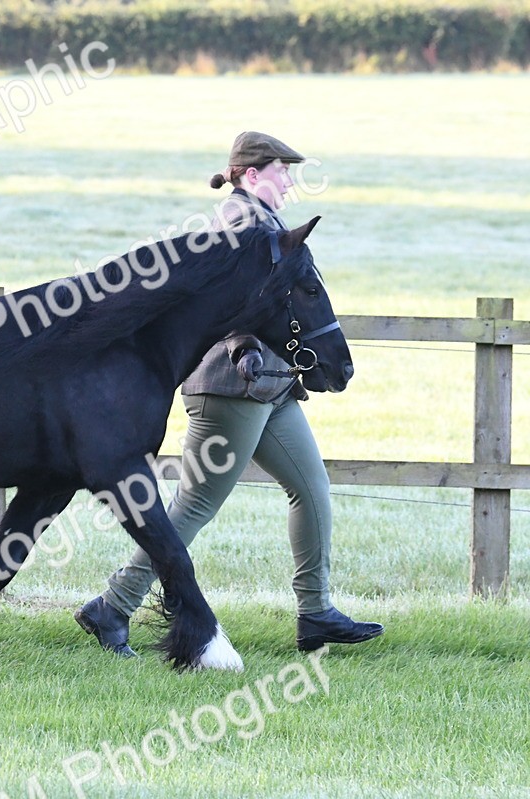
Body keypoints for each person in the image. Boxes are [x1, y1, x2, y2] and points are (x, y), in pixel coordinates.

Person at [74, 131, 384, 656]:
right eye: (282, 169)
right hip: (231, 386)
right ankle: (112, 607)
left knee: (311, 490)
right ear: (252, 174)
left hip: (272, 386)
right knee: (193, 505)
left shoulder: (264, 224)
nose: (290, 179)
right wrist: (243, 347)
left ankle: (316, 613)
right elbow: (223, 299)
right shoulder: (237, 221)